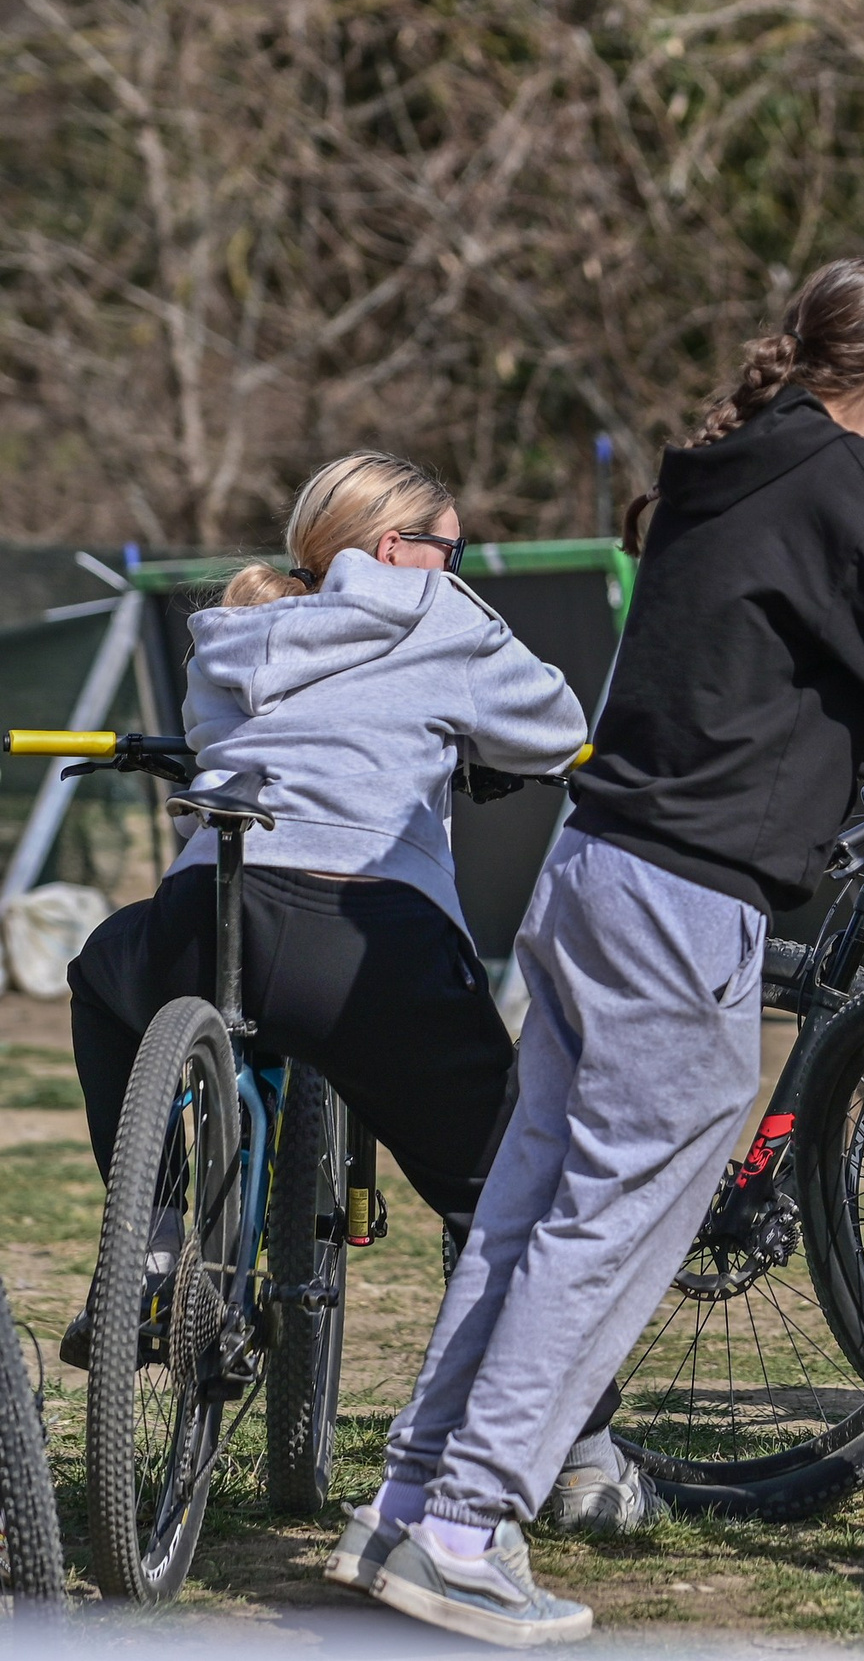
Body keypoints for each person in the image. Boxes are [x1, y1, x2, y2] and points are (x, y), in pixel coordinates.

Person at [336, 257, 864, 1645]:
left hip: (589, 871)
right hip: (682, 901)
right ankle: (466, 1521)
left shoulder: (723, 468)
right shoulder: (844, 480)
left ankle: (403, 1506)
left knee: (529, 1201)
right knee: (612, 1218)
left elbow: (817, 693)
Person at [62, 451, 588, 1363]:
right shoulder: (439, 611)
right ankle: (578, 1446)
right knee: (506, 1187)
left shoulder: (235, 626)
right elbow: (557, 727)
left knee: (100, 975)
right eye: (451, 550)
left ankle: (146, 1251)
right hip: (366, 932)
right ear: (397, 547)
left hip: (214, 903)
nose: (456, 568)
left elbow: (213, 743)